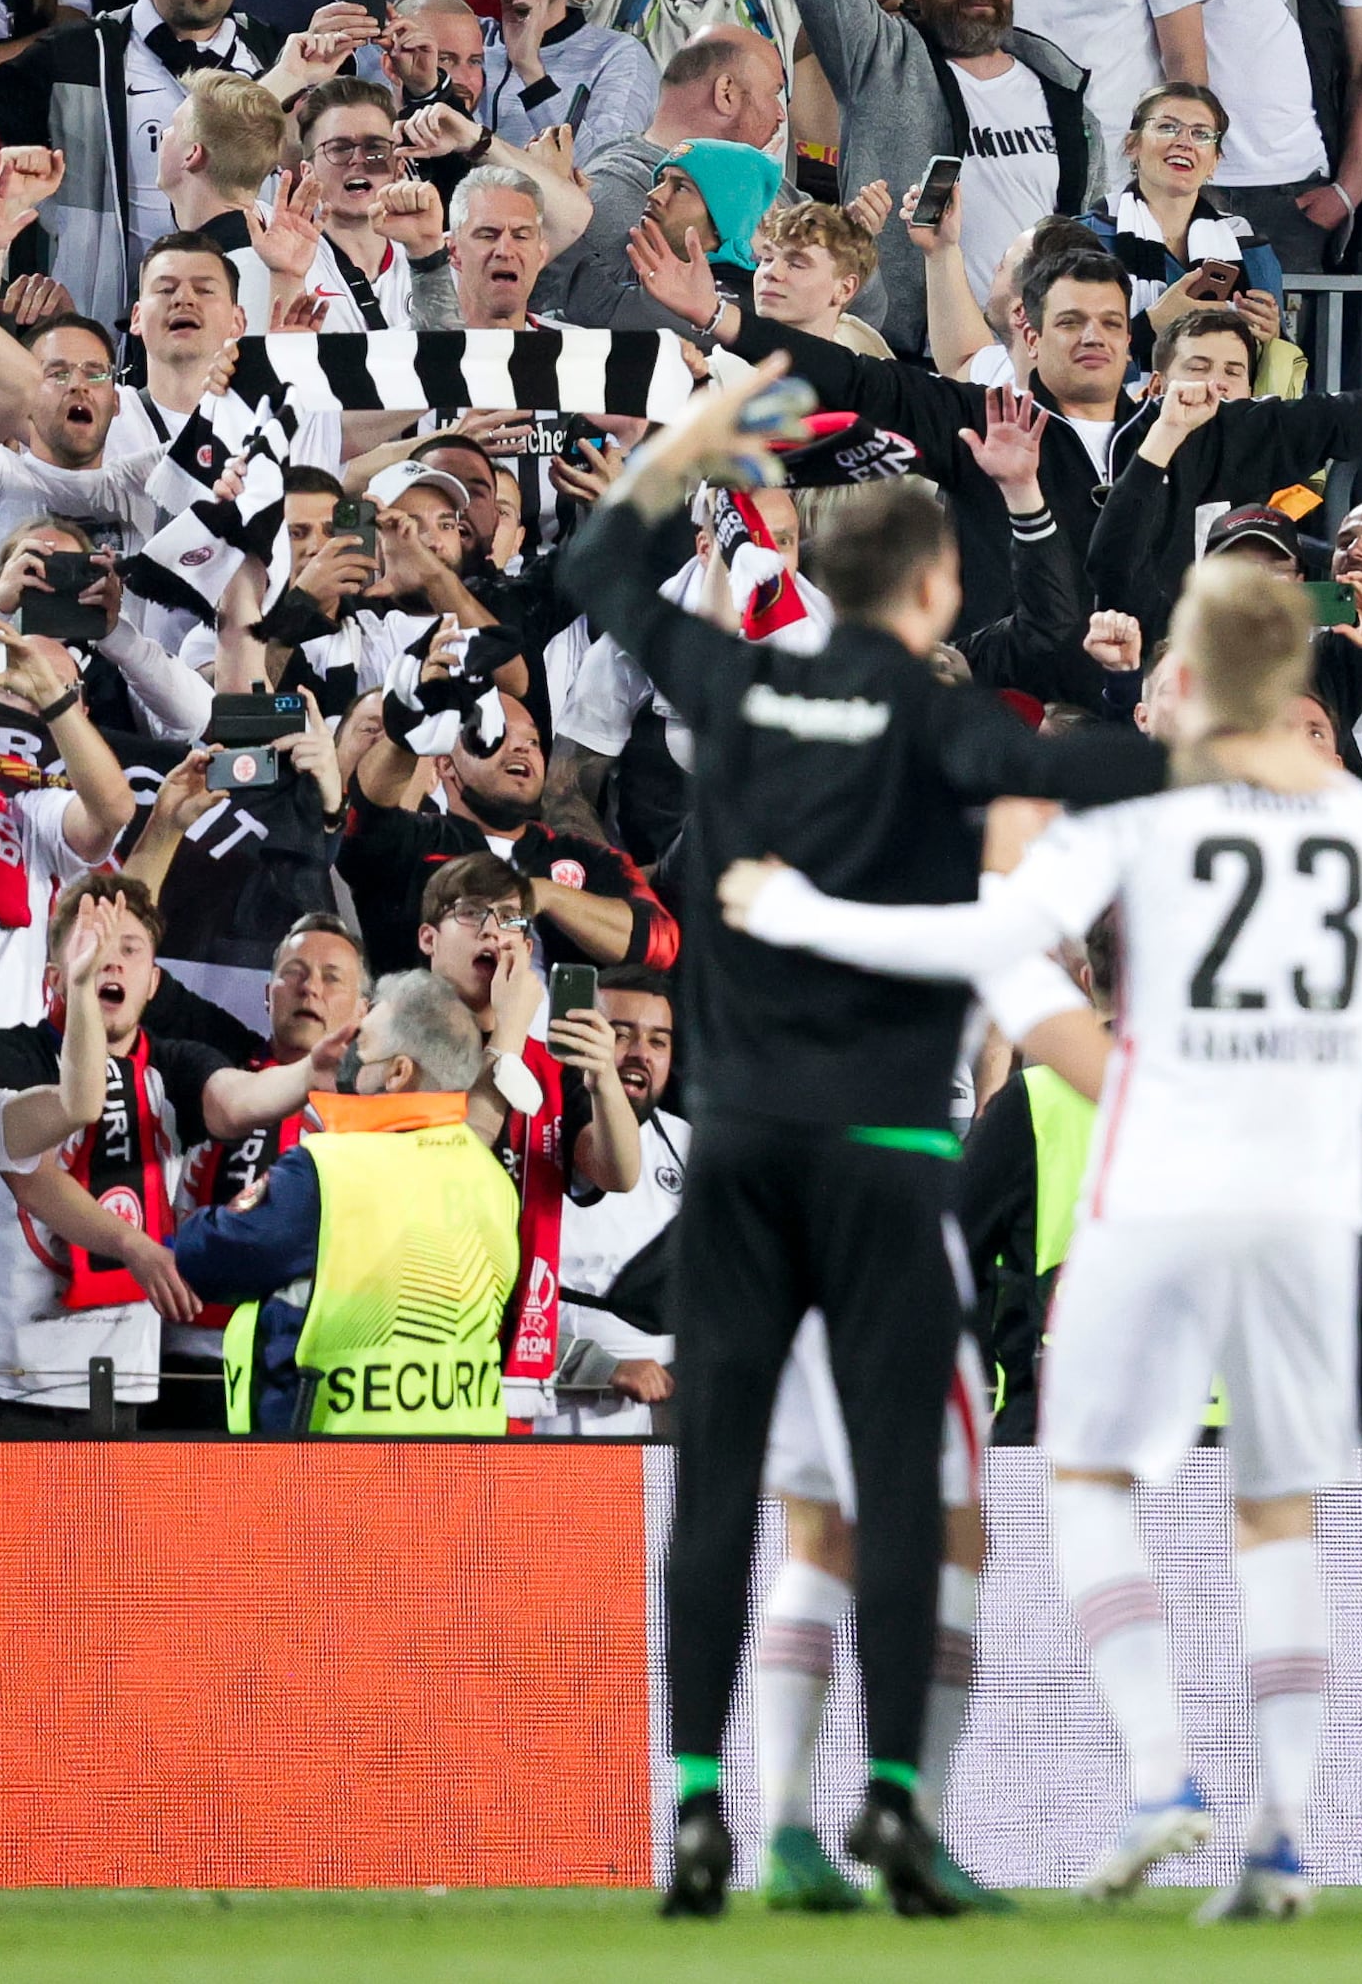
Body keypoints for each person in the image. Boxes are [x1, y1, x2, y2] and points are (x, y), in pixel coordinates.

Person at [727, 563, 1362, 1919]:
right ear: (1293, 674)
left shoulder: (1134, 794)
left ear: (1188, 665)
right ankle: (1279, 1840)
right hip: (1304, 1190)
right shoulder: (1352, 818)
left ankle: (1162, 1770)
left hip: (1160, 1172)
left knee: (1088, 1477)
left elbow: (996, 941)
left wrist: (812, 915)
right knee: (1278, 1512)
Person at [591, 370, 1165, 1920]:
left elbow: (592, 573)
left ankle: (701, 1810)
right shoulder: (943, 723)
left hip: (741, 1142)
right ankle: (899, 1808)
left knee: (721, 1489)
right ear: (933, 583)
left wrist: (684, 455)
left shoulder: (731, 684)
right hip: (887, 1145)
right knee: (901, 1493)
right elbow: (1101, 772)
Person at [158, 965, 520, 1432]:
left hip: (333, 1469)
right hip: (460, 1470)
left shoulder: (331, 1170)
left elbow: (205, 1257)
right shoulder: (489, 1177)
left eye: (361, 1044)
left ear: (397, 1073)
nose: (345, 1056)